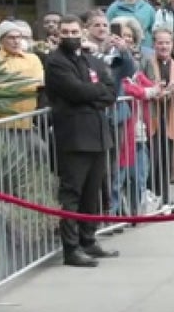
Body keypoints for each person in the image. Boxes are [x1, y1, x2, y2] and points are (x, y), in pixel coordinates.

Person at [43, 15, 119, 268]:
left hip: (97, 135)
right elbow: (74, 91)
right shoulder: (55, 62)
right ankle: (71, 248)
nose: (70, 36)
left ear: (82, 32)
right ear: (58, 34)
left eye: (74, 31)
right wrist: (95, 92)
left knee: (92, 193)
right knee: (72, 193)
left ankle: (88, 239)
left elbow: (111, 90)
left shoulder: (89, 59)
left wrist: (92, 93)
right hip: (74, 136)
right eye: (65, 32)